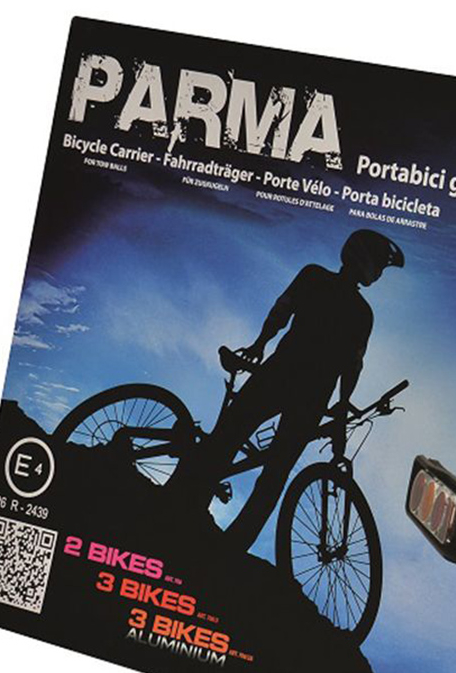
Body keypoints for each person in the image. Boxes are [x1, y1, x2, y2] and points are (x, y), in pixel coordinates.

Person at [170, 228, 403, 549]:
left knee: (226, 440)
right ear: (367, 262)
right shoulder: (362, 313)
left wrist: (260, 344)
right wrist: (343, 402)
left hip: (277, 374)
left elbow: (281, 311)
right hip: (312, 397)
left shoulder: (313, 276)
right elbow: (353, 365)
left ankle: (184, 506)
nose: (379, 274)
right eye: (379, 265)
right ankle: (233, 546)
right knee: (275, 474)